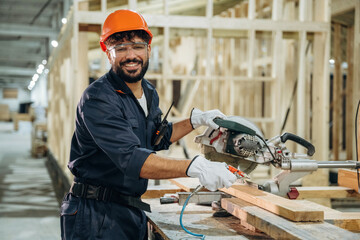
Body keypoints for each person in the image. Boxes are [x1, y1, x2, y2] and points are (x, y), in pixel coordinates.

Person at [60, 9, 236, 240]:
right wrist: (196, 166)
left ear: (148, 49)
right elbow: (133, 159)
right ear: (107, 52)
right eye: (120, 48)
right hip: (96, 214)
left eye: (137, 46)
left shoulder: (149, 92)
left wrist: (195, 121)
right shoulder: (99, 98)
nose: (130, 55)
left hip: (129, 209)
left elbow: (155, 138)